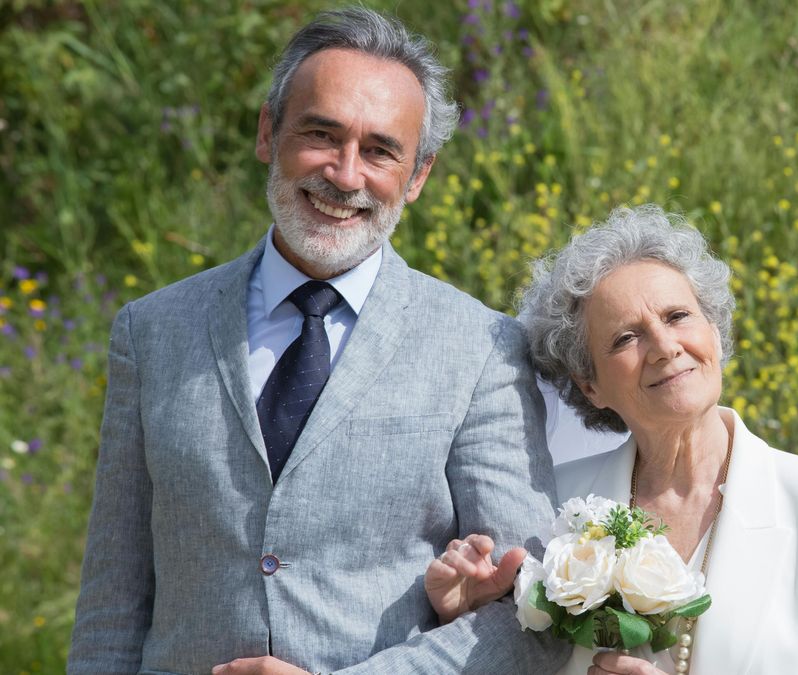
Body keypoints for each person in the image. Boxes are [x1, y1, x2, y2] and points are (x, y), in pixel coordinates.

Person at [68, 8, 568, 674]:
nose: (344, 173)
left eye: (381, 149)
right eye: (320, 134)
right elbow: (113, 601)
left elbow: (534, 610)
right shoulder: (152, 330)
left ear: (417, 176)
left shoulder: (481, 348)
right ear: (268, 132)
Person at [425, 204, 798, 674]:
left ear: (715, 334)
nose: (663, 346)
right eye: (625, 338)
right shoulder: (552, 508)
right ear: (589, 385)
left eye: (678, 316)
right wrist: (466, 620)